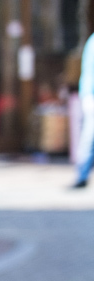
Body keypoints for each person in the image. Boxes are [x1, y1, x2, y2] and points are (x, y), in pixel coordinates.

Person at [72, 32, 94, 189]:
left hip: (88, 94)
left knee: (89, 135)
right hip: (91, 94)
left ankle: (82, 174)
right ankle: (82, 174)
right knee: (89, 135)